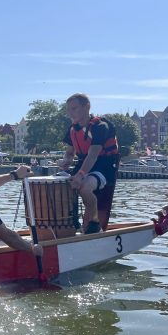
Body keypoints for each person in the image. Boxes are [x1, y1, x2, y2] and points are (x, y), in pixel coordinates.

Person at [58, 93, 119, 233]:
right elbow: (69, 153)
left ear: (87, 107)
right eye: (68, 110)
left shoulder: (100, 126)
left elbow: (93, 155)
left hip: (104, 166)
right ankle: (70, 223)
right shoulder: (72, 129)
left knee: (84, 188)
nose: (70, 113)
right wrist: (65, 161)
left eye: (74, 109)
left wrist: (80, 175)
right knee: (62, 185)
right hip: (83, 164)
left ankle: (94, 222)